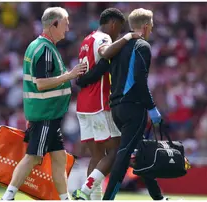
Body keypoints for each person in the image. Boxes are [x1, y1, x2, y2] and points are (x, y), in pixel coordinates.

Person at [1, 7, 87, 201]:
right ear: (53, 24)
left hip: (47, 113)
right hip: (46, 113)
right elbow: (41, 84)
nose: (67, 28)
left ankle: (64, 199)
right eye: (65, 24)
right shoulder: (45, 49)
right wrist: (70, 75)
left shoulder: (38, 46)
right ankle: (7, 197)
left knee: (59, 158)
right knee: (33, 157)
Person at [72, 8, 141, 200]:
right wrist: (127, 38)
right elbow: (106, 52)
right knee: (115, 151)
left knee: (97, 155)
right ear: (112, 23)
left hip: (83, 104)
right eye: (118, 28)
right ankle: (84, 191)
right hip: (98, 102)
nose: (118, 33)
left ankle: (93, 198)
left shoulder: (86, 40)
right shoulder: (103, 38)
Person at [102, 8, 167, 200]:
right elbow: (139, 81)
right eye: (152, 27)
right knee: (124, 155)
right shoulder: (142, 46)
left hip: (116, 108)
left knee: (141, 153)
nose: (152, 31)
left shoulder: (119, 45)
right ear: (146, 27)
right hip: (133, 108)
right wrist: (152, 108)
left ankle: (157, 197)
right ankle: (108, 198)